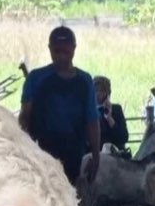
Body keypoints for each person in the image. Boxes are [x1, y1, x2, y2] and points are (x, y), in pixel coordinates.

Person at [19, 26, 100, 185]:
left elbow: (92, 120)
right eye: (57, 52)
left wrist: (96, 156)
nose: (61, 57)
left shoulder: (85, 81)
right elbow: (24, 119)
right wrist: (25, 152)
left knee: (71, 201)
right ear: (49, 49)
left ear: (74, 49)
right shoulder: (36, 78)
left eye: (66, 52)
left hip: (74, 155)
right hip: (42, 155)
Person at [93, 75, 129, 151]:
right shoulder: (88, 111)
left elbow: (124, 138)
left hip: (115, 154)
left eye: (102, 90)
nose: (98, 93)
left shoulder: (116, 109)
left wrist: (109, 118)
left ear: (108, 93)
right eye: (96, 90)